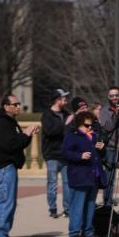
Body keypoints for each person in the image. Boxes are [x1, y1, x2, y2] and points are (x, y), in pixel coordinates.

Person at [0, 94, 38, 237]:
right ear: (6, 106)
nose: (18, 107)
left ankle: (4, 233)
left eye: (18, 104)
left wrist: (27, 135)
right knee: (6, 200)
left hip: (9, 166)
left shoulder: (11, 122)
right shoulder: (2, 123)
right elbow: (9, 145)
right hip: (3, 167)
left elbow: (18, 143)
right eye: (14, 104)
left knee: (10, 201)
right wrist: (25, 134)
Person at [62, 110, 106, 237]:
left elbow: (101, 156)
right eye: (87, 125)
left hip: (94, 177)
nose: (90, 128)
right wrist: (79, 156)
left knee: (91, 205)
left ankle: (88, 231)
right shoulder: (72, 136)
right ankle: (74, 233)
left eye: (91, 125)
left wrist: (102, 148)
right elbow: (65, 153)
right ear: (79, 125)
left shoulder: (95, 136)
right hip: (79, 176)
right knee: (78, 206)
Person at [41, 89, 72, 218]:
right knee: (52, 183)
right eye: (64, 97)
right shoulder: (47, 115)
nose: (66, 99)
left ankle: (68, 209)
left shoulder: (66, 113)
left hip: (65, 154)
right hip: (52, 155)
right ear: (57, 100)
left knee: (68, 184)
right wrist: (65, 124)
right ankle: (52, 209)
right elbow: (50, 132)